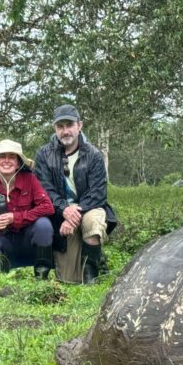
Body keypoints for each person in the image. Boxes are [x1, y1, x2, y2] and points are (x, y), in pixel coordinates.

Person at [34, 104, 117, 284]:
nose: (65, 131)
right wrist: (64, 210)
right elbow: (43, 190)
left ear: (79, 126)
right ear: (55, 129)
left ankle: (91, 278)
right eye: (60, 126)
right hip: (59, 212)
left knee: (93, 220)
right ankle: (95, 262)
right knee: (68, 279)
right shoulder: (43, 154)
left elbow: (98, 192)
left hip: (88, 208)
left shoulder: (94, 155)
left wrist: (75, 213)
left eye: (69, 125)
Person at [0, 139, 55, 277]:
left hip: (28, 238)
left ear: (18, 163)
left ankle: (41, 275)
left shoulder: (30, 180)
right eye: (2, 156)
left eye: (12, 157)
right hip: (3, 240)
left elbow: (48, 207)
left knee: (44, 225)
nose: (6, 160)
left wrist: (15, 217)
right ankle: (0, 275)